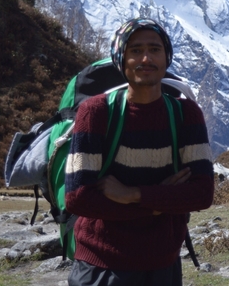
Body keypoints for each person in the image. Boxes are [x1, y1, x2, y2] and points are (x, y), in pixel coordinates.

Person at [65, 18, 214, 286]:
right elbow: (78, 198)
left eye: (155, 49)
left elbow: (202, 193)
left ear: (167, 57)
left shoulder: (185, 114)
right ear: (121, 60)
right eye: (135, 50)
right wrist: (158, 205)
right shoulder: (96, 113)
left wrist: (132, 195)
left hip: (163, 263)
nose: (146, 58)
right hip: (102, 264)